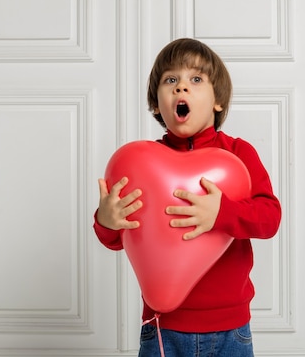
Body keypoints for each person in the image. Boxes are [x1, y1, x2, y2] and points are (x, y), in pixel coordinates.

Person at [94, 38, 282, 357]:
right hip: (162, 328)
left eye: (195, 80)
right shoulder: (142, 164)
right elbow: (118, 238)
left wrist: (221, 213)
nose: (182, 88)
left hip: (231, 330)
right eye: (171, 80)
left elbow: (269, 219)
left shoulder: (238, 154)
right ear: (157, 103)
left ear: (217, 100)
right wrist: (106, 220)